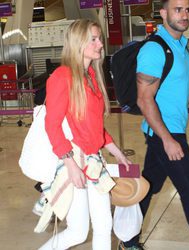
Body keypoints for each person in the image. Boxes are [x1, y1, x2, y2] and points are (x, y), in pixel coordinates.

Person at [118, 0, 189, 250]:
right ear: (163, 13)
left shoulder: (180, 45)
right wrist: (167, 139)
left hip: (170, 131)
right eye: (178, 9)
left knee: (147, 187)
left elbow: (187, 84)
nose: (184, 14)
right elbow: (144, 99)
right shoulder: (154, 49)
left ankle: (127, 240)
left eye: (187, 9)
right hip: (165, 133)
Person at [39, 19, 130, 250]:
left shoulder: (91, 76)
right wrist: (70, 164)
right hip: (74, 160)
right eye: (94, 39)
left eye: (99, 38)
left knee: (103, 225)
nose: (101, 43)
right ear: (79, 43)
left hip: (93, 161)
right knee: (78, 232)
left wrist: (118, 153)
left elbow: (95, 127)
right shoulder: (62, 76)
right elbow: (52, 125)